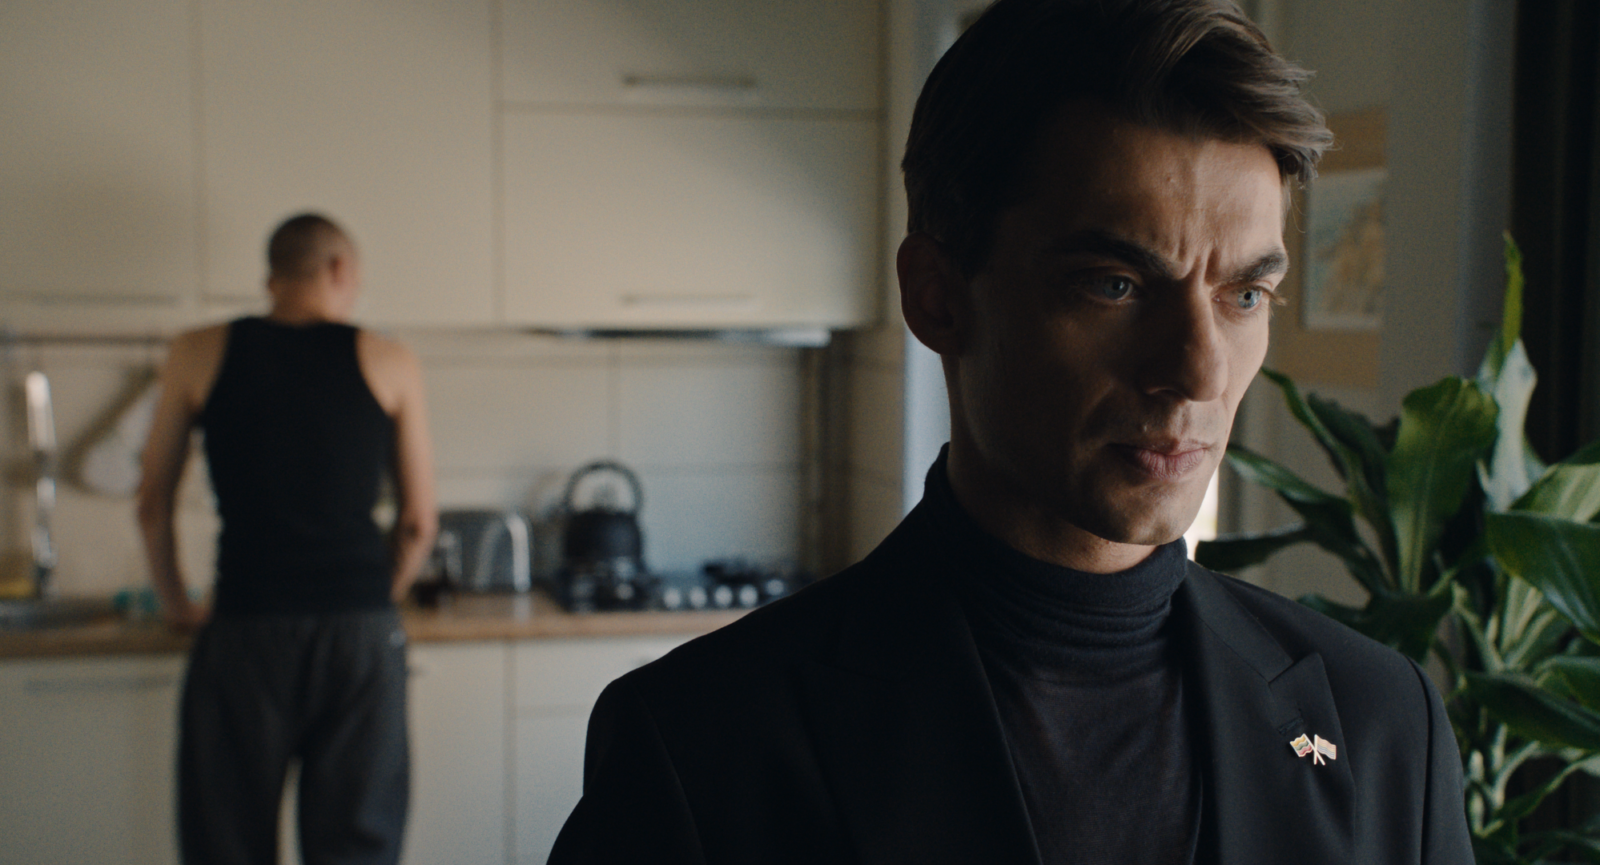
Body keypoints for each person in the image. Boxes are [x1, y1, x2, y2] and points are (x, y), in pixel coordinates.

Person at [548, 0, 1474, 863]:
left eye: (1244, 295)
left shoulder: (1381, 720)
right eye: (1115, 284)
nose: (1199, 372)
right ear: (937, 296)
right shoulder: (702, 746)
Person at [137, 213, 437, 865]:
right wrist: (374, 598)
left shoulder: (196, 351)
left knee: (227, 844)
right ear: (337, 269)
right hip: (359, 635)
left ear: (273, 277)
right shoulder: (391, 359)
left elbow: (152, 501)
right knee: (357, 846)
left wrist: (178, 604)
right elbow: (419, 522)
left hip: (245, 629)